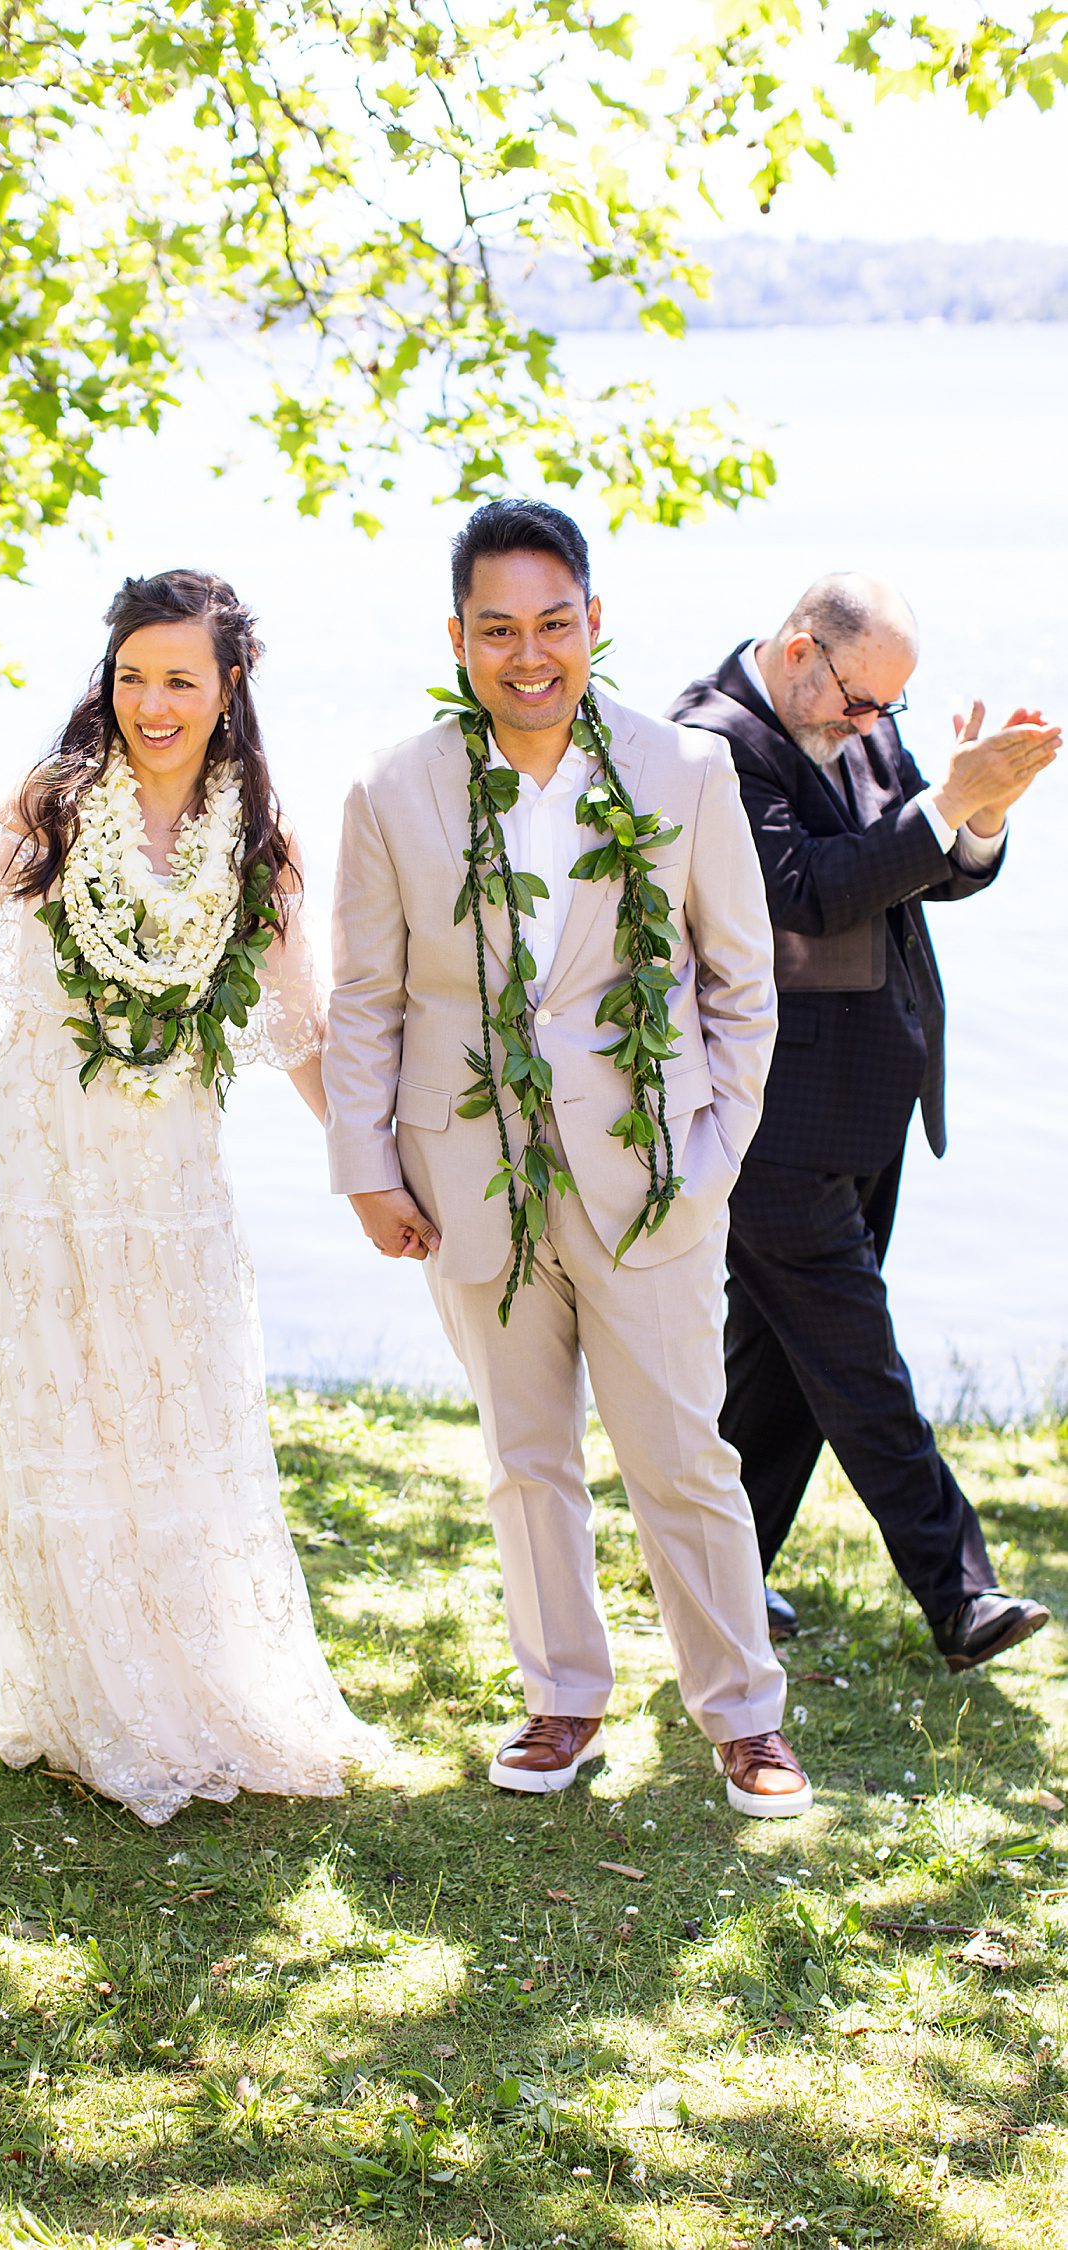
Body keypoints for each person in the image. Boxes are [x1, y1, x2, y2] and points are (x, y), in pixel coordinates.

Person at [0, 568, 379, 1824]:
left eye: (179, 677)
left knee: (176, 1433)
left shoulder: (262, 850)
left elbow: (305, 1038)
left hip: (170, 1191)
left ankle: (195, 1687)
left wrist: (375, 1175)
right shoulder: (51, 808)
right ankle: (82, 1707)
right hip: (35, 1181)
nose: (151, 702)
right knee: (56, 1435)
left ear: (230, 686)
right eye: (132, 675)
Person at [323, 497, 812, 1818]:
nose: (528, 654)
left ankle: (744, 1714)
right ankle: (561, 1698)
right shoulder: (391, 785)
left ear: (594, 622)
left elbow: (741, 983)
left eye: (554, 623)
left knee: (681, 1451)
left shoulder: (685, 772)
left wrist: (711, 1154)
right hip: (463, 1176)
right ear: (459, 638)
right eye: (499, 630)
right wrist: (367, 1166)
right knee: (524, 1450)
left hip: (652, 1173)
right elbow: (366, 996)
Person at [669, 574, 1058, 1669]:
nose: (872, 725)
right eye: (857, 702)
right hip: (772, 1118)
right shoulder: (711, 744)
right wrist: (941, 811)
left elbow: (923, 867)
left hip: (876, 1094)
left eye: (886, 708)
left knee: (785, 1366)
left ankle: (718, 1579)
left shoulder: (856, 711)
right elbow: (811, 889)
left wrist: (977, 817)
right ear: (800, 652)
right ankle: (961, 1592)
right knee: (858, 1361)